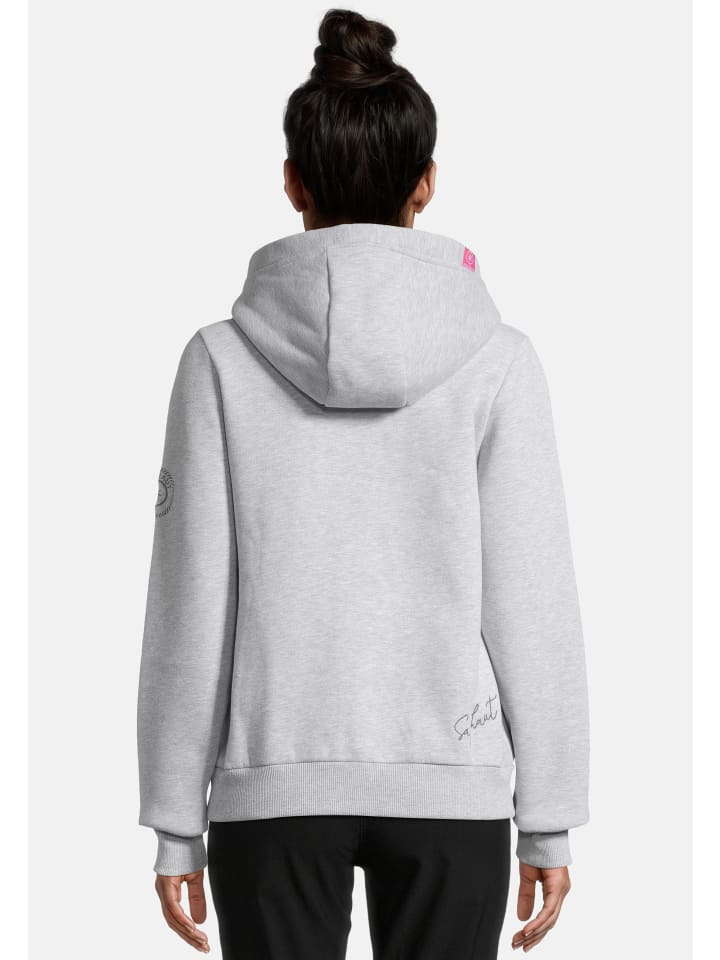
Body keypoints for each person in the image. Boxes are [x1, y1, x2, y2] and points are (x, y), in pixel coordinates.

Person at [136, 8, 590, 959]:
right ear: (427, 183)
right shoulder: (499, 360)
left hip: (271, 788)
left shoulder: (219, 361)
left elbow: (190, 601)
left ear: (293, 183)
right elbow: (533, 596)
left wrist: (177, 819)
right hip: (453, 782)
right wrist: (547, 815)